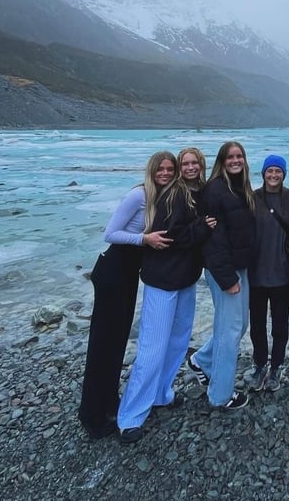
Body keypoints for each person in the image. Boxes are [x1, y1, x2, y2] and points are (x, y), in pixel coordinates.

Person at [117, 151, 214, 443]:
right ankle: (130, 416)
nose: (190, 167)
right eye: (185, 164)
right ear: (179, 170)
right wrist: (201, 227)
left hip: (186, 279)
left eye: (194, 163)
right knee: (152, 347)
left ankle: (161, 393)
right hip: (163, 280)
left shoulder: (199, 192)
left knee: (178, 343)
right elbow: (169, 237)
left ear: (202, 166)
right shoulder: (174, 196)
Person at [78, 151, 174, 439]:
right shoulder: (139, 195)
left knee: (117, 341)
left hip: (129, 274)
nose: (166, 173)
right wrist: (144, 239)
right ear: (152, 170)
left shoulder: (160, 197)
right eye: (161, 168)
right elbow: (110, 233)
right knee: (101, 344)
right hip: (112, 271)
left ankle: (108, 400)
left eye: (171, 169)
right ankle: (91, 416)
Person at [190, 141, 256, 410]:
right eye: (230, 157)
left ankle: (202, 360)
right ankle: (220, 394)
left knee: (239, 326)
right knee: (229, 331)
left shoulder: (240, 187)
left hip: (239, 267)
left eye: (239, 156)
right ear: (222, 160)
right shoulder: (215, 190)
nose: (236, 160)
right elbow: (213, 241)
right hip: (225, 271)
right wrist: (227, 279)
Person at [244, 155, 289, 393]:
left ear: (283, 174)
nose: (273, 175)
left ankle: (276, 366)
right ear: (263, 173)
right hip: (255, 274)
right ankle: (259, 364)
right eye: (270, 171)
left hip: (282, 274)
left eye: (278, 171)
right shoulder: (252, 198)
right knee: (257, 325)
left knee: (280, 325)